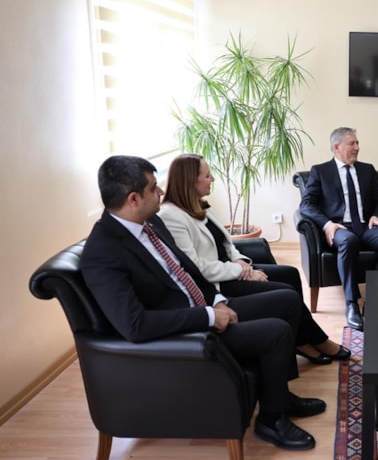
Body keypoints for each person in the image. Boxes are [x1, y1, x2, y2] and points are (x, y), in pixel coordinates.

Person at [81, 155, 325, 450]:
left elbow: (187, 271)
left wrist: (217, 300)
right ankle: (271, 420)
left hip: (201, 306)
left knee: (286, 301)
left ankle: (279, 396)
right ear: (133, 199)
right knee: (276, 332)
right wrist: (208, 316)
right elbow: (135, 325)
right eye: (153, 188)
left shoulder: (149, 222)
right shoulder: (103, 253)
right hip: (184, 333)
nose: (161, 192)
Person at [159, 153, 350, 365]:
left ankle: (300, 339)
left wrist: (241, 262)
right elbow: (195, 267)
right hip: (217, 282)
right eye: (207, 175)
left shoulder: (197, 204)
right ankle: (317, 341)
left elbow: (225, 243)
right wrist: (240, 271)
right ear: (190, 181)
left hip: (232, 268)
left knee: (290, 274)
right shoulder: (171, 216)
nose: (212, 178)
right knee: (287, 294)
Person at [299, 127, 378, 330]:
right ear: (337, 147)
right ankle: (352, 303)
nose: (357, 147)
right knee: (349, 241)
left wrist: (376, 215)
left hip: (365, 225)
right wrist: (328, 224)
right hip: (340, 227)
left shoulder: (367, 170)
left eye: (357, 143)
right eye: (351, 143)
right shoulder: (320, 171)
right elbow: (306, 205)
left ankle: (376, 298)